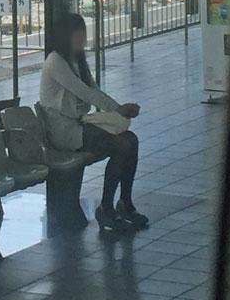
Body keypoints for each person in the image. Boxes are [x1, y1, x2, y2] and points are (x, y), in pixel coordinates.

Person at [39, 12, 148, 231]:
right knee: (122, 144)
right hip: (63, 130)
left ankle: (124, 202)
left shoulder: (76, 60)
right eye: (78, 34)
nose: (82, 38)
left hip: (81, 123)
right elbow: (85, 92)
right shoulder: (56, 62)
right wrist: (118, 109)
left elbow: (93, 91)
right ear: (65, 36)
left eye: (83, 32)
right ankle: (106, 207)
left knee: (131, 140)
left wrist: (118, 111)